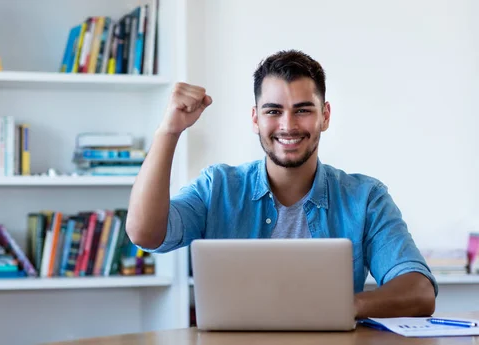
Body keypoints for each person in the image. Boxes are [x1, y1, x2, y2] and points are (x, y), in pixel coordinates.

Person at [125, 49, 437, 319]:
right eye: (273, 111)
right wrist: (169, 131)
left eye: (303, 110)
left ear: (324, 116)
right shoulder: (217, 187)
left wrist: (342, 306)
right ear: (255, 119)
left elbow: (419, 291)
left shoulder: (365, 197)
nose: (288, 125)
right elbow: (145, 234)